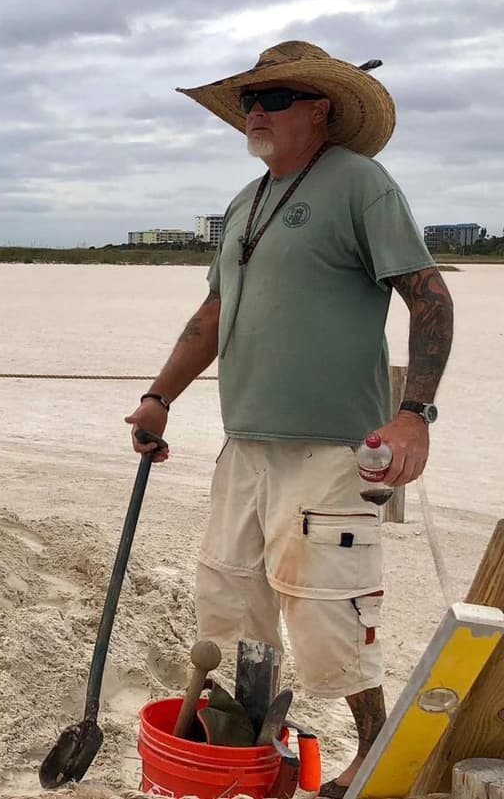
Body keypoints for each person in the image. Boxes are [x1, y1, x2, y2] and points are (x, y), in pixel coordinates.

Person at [125, 41, 454, 797]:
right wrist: (159, 396)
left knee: (329, 609)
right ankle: (254, 754)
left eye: (273, 99)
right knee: (233, 602)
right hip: (246, 445)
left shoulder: (359, 184)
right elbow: (214, 313)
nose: (257, 113)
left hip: (336, 446)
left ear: (321, 109)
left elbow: (429, 293)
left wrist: (415, 416)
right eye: (248, 102)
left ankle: (370, 756)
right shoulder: (247, 201)